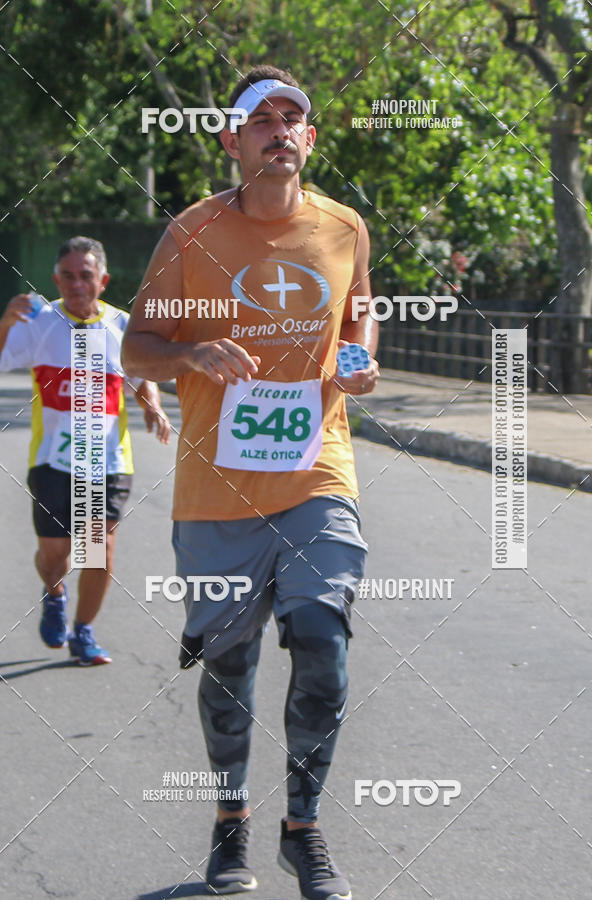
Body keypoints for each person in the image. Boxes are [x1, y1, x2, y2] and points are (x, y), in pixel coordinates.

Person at [122, 65, 379, 899]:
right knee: (228, 668)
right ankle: (229, 823)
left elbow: (359, 311)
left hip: (318, 473)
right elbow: (136, 349)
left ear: (309, 138)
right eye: (259, 119)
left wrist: (361, 354)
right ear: (231, 141)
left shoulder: (345, 229)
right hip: (215, 490)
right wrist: (190, 354)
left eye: (291, 119)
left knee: (324, 646)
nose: (277, 130)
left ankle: (302, 829)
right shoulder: (189, 235)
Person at [0, 236, 170, 665]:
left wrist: (153, 406)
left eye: (86, 275)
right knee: (55, 554)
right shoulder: (38, 323)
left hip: (105, 461)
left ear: (103, 280)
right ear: (56, 279)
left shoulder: (122, 326)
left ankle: (83, 632)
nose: (77, 284)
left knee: (98, 548)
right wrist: (5, 323)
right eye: (68, 276)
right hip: (53, 460)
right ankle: (54, 591)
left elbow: (142, 373)